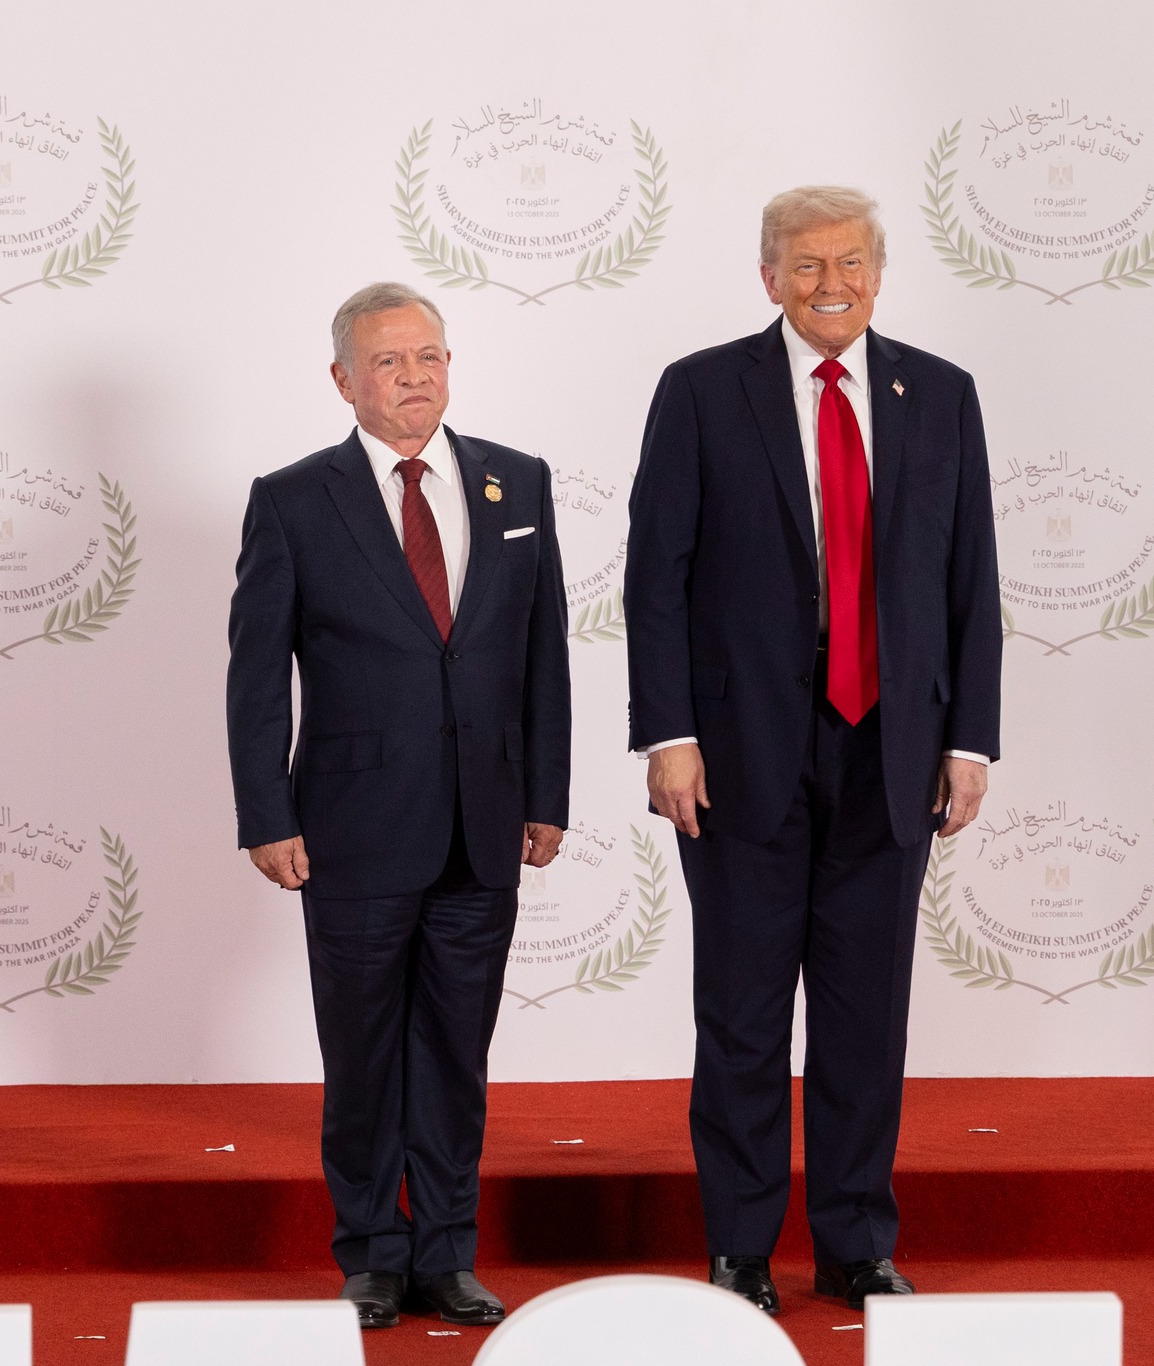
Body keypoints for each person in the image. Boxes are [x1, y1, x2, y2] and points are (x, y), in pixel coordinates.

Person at [623, 186, 1002, 1313]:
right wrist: (669, 736)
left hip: (893, 752)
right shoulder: (700, 391)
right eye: (805, 265)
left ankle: (853, 1242)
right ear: (768, 277)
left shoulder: (940, 394)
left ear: (878, 275)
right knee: (742, 1015)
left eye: (848, 263)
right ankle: (740, 1248)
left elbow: (970, 578)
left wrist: (968, 738)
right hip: (737, 756)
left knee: (863, 1018)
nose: (829, 284)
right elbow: (655, 579)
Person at [227, 281, 571, 1329]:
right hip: (352, 829)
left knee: (457, 1055)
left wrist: (546, 793)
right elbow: (256, 675)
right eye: (388, 362)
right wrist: (266, 813)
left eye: (428, 357)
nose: (414, 377)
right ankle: (374, 1254)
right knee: (366, 1053)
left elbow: (541, 653)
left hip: (485, 823)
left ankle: (447, 1253)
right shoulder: (293, 499)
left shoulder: (517, 481)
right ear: (344, 380)